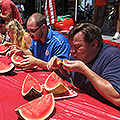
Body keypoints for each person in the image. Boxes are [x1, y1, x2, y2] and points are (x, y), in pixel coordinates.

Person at [47, 23, 120, 110]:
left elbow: (116, 97)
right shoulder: (78, 55)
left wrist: (85, 70)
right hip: (83, 107)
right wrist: (60, 66)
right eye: (71, 46)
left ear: (94, 45)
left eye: (77, 47)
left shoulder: (113, 57)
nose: (72, 51)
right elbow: (70, 74)